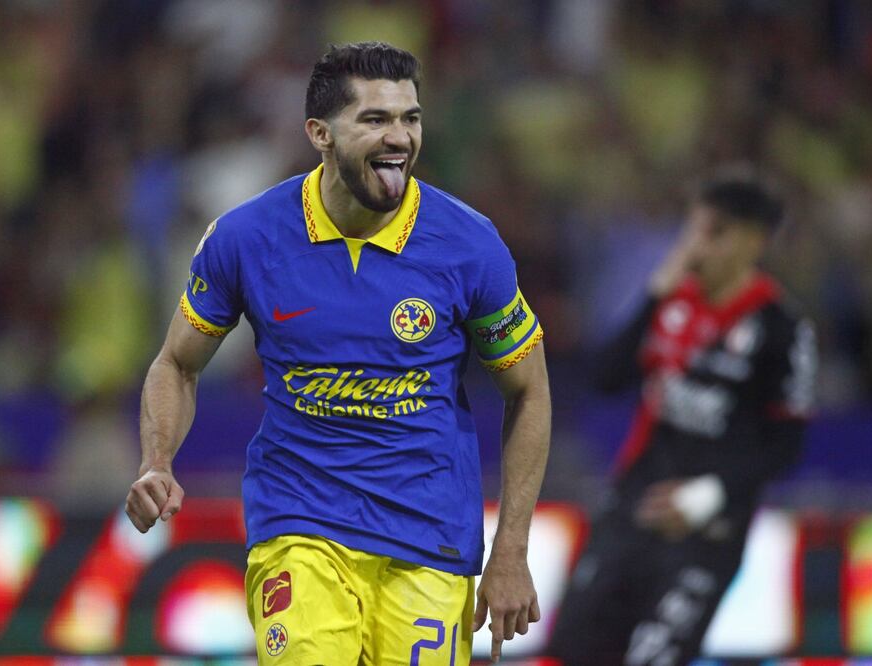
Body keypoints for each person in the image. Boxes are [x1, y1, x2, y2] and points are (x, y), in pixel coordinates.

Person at [124, 42, 551, 665]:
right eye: (375, 120)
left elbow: (529, 391)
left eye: (410, 118)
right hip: (299, 526)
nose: (399, 137)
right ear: (320, 133)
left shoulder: (468, 245)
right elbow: (177, 363)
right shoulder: (247, 238)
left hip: (429, 540)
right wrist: (156, 460)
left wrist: (510, 550)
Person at [549, 167, 817, 665]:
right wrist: (652, 295)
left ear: (752, 241)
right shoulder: (671, 302)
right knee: (575, 651)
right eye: (692, 229)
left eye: (713, 234)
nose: (695, 246)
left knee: (656, 657)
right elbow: (607, 379)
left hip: (706, 534)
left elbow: (787, 444)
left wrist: (707, 495)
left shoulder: (781, 329)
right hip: (630, 513)